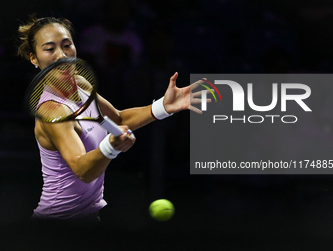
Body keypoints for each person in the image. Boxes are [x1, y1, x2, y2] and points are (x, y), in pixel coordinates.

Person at [17, 16, 203, 221]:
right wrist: (111, 147)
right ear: (34, 58)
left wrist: (163, 107)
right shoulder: (53, 112)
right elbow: (82, 170)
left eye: (67, 45)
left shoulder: (81, 84)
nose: (62, 55)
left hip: (87, 220)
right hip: (57, 226)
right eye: (49, 49)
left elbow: (118, 118)